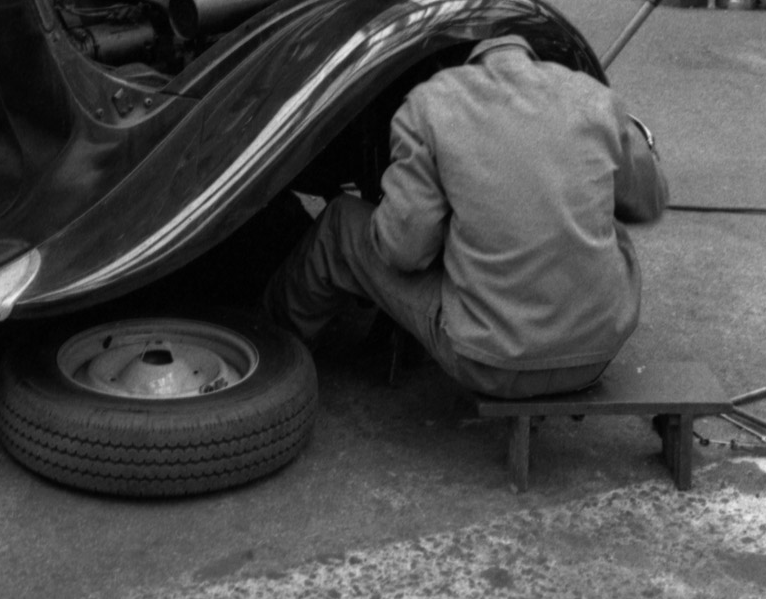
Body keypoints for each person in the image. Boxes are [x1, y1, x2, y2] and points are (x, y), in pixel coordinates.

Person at [263, 34, 668, 398]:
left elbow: (404, 252)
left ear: (457, 60)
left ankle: (267, 355)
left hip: (491, 362)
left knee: (339, 225)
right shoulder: (592, 97)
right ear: (527, 50)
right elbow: (649, 201)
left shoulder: (430, 103)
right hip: (599, 350)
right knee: (594, 218)